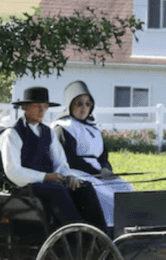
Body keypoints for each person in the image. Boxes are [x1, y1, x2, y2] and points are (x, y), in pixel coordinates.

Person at [0, 86, 106, 230]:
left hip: (49, 182)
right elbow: (13, 171)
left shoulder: (49, 133)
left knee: (84, 186)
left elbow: (60, 163)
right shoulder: (12, 134)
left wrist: (69, 176)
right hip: (24, 187)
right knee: (57, 190)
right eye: (37, 107)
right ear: (25, 107)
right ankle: (77, 232)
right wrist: (46, 177)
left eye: (45, 107)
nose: (42, 111)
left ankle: (101, 231)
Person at [51, 80, 134, 231]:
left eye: (88, 104)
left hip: (97, 174)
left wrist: (106, 170)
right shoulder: (63, 128)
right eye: (79, 104)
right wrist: (97, 172)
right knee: (106, 195)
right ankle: (109, 231)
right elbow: (70, 160)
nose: (84, 109)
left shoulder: (94, 128)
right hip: (75, 173)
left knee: (126, 188)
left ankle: (130, 229)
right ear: (70, 105)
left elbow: (103, 156)